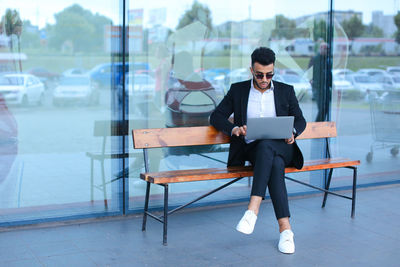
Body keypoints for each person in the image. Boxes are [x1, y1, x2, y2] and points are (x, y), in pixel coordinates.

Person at [209, 47, 306, 254]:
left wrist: (293, 131)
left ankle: (252, 210)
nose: (264, 79)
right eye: (259, 74)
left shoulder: (286, 91)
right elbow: (216, 116)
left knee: (270, 148)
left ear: (274, 70)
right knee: (271, 157)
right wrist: (234, 128)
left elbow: (300, 119)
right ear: (251, 70)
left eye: (269, 74)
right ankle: (285, 230)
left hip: (283, 147)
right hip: (252, 149)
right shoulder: (238, 90)